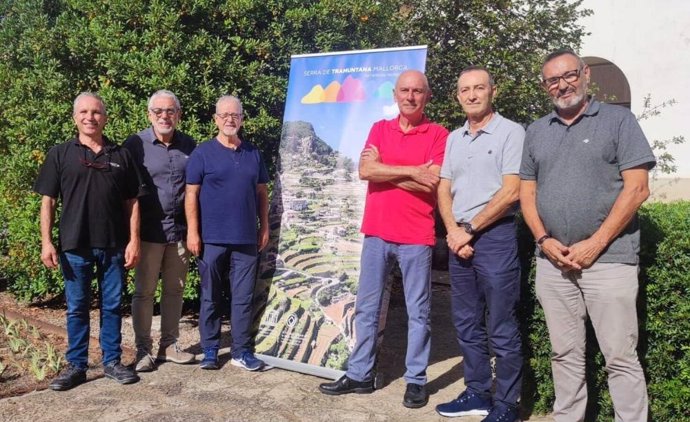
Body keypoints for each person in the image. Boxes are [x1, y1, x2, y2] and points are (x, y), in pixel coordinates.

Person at [519, 49, 655, 421]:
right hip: (553, 263)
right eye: (552, 80)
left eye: (569, 75)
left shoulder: (619, 121)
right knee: (563, 354)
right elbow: (526, 194)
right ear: (544, 85)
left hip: (609, 261)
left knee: (620, 357)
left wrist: (595, 243)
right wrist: (544, 241)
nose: (562, 85)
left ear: (586, 74)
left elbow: (638, 188)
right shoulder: (536, 130)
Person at [318, 70, 448, 409]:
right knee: (366, 308)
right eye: (404, 90)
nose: (410, 96)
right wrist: (411, 170)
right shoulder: (379, 128)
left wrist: (386, 169)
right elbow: (365, 171)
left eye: (417, 91)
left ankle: (416, 380)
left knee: (419, 312)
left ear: (427, 96)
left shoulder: (438, 135)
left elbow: (432, 184)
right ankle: (360, 374)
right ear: (395, 94)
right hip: (376, 233)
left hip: (416, 235)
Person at [35, 92, 142, 390]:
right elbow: (48, 201)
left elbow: (133, 202)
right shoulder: (60, 153)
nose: (90, 117)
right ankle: (77, 366)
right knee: (77, 307)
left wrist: (134, 241)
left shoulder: (121, 155)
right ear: (75, 117)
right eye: (84, 112)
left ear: (105, 118)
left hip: (113, 246)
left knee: (111, 306)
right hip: (74, 245)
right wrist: (47, 241)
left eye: (96, 112)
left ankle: (112, 362)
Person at [435, 66, 524, 421]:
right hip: (459, 237)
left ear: (493, 91)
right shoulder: (454, 138)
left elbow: (512, 190)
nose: (471, 95)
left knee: (502, 324)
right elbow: (444, 187)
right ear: (458, 96)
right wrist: (453, 231)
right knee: (467, 322)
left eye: (479, 88)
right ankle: (477, 393)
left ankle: (506, 405)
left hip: (495, 238)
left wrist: (468, 229)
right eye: (465, 90)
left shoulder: (511, 133)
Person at [185, 95, 269, 371]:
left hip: (245, 239)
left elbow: (261, 193)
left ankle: (241, 351)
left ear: (242, 119)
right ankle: (210, 349)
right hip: (211, 239)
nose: (230, 119)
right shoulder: (202, 153)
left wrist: (264, 226)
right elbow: (191, 195)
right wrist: (193, 233)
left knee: (243, 298)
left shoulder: (254, 154)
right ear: (216, 120)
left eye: (235, 115)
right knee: (211, 297)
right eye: (225, 115)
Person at [123, 90, 197, 372]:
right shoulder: (134, 145)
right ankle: (144, 349)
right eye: (158, 111)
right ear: (149, 114)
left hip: (179, 232)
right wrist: (129, 237)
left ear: (178, 114)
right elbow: (125, 192)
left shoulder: (189, 144)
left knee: (174, 292)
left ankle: (169, 345)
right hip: (148, 233)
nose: (164, 116)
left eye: (170, 111)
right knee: (144, 293)